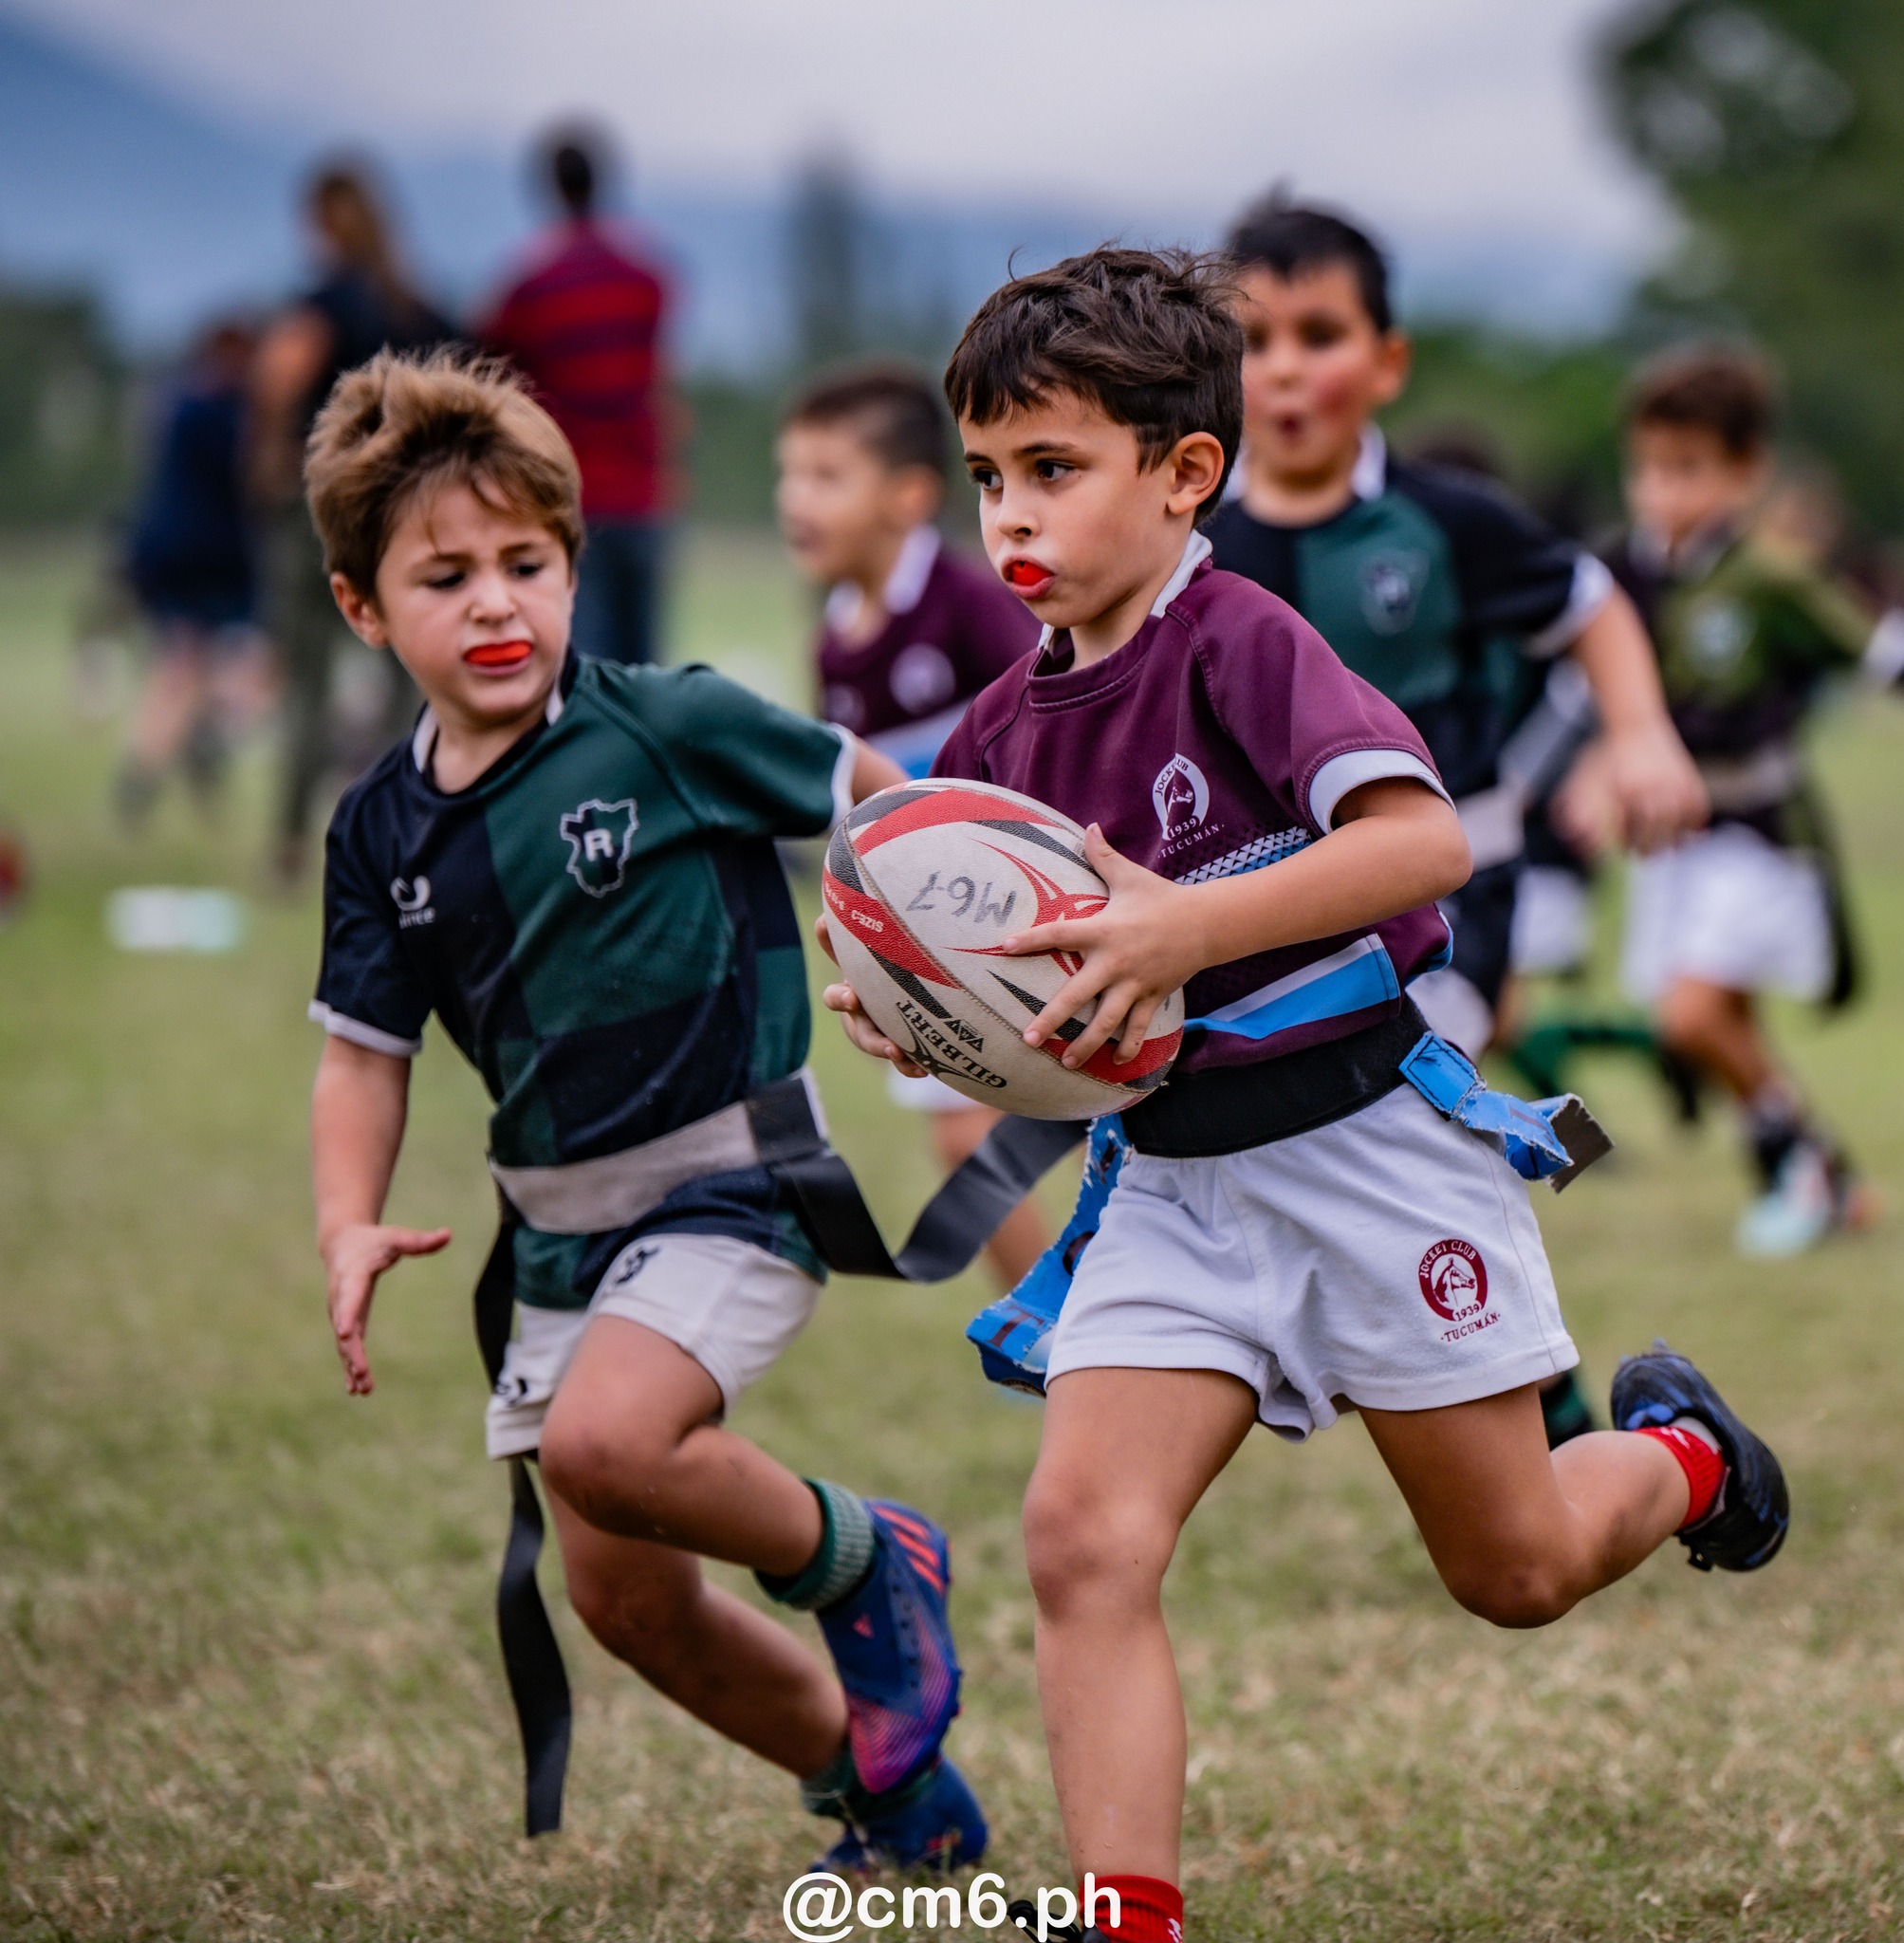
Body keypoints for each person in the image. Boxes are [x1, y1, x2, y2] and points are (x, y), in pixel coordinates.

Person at [823, 250, 1787, 1943]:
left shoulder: (1244, 641)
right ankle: (1128, 1915)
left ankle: (1684, 1455)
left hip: (1368, 1156)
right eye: (989, 476)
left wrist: (1183, 921)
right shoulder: (991, 732)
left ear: (1184, 473)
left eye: (1053, 468)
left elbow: (1414, 843)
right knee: (1079, 1536)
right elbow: (998, 972)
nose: (1010, 516)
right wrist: (925, 1017)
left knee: (1513, 1571)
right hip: (1173, 1192)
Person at [303, 348, 986, 1868]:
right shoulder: (377, 831)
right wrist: (343, 1223)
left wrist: (937, 941)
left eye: (525, 563)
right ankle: (897, 1808)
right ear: (362, 608)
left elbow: (875, 798)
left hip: (734, 1186)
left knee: (609, 1446)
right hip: (558, 1236)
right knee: (622, 1600)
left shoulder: (664, 724)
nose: (495, 603)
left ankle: (874, 1563)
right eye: (444, 576)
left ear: (571, 562)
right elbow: (362, 1052)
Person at [1203, 198, 1706, 1067]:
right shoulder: (1191, 543)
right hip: (1266, 897)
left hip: (1451, 892)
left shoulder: (1447, 521)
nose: (1283, 369)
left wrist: (1641, 735)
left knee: (1387, 1095)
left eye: (1318, 336)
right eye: (1253, 342)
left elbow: (1590, 605)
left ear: (1387, 363)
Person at [1599, 345, 1902, 1254]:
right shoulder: (1621, 577)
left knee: (1692, 1013)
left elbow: (1878, 657)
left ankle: (1798, 1171)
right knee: (1698, 1021)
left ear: (1744, 472)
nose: (1662, 490)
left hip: (1760, 834)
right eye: (1649, 467)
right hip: (1671, 843)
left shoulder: (1769, 578)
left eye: (1687, 469)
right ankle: (1823, 1173)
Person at [778, 361, 1048, 1287]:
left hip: (1030, 922)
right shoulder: (831, 639)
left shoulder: (972, 604)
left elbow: (1052, 724)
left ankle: (1064, 1333)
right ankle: (1055, 1333)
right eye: (789, 475)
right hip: (934, 942)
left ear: (908, 495)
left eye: (824, 475)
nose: (794, 499)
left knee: (975, 1131)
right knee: (962, 1136)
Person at [251, 161, 454, 882]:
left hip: (321, 511)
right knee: (406, 677)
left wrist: (270, 453)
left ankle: (288, 844)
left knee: (307, 680)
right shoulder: (415, 308)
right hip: (402, 512)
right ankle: (410, 835)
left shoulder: (323, 303)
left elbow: (278, 374)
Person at [483, 128, 673, 668]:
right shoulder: (644, 277)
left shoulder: (530, 286)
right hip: (644, 489)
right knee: (646, 665)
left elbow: (497, 367)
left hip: (573, 494)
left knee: (589, 665)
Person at [115, 318, 278, 825]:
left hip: (172, 557)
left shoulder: (177, 404)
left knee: (185, 666)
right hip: (210, 560)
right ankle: (181, 749)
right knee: (213, 667)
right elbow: (255, 478)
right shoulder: (222, 414)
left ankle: (160, 759)